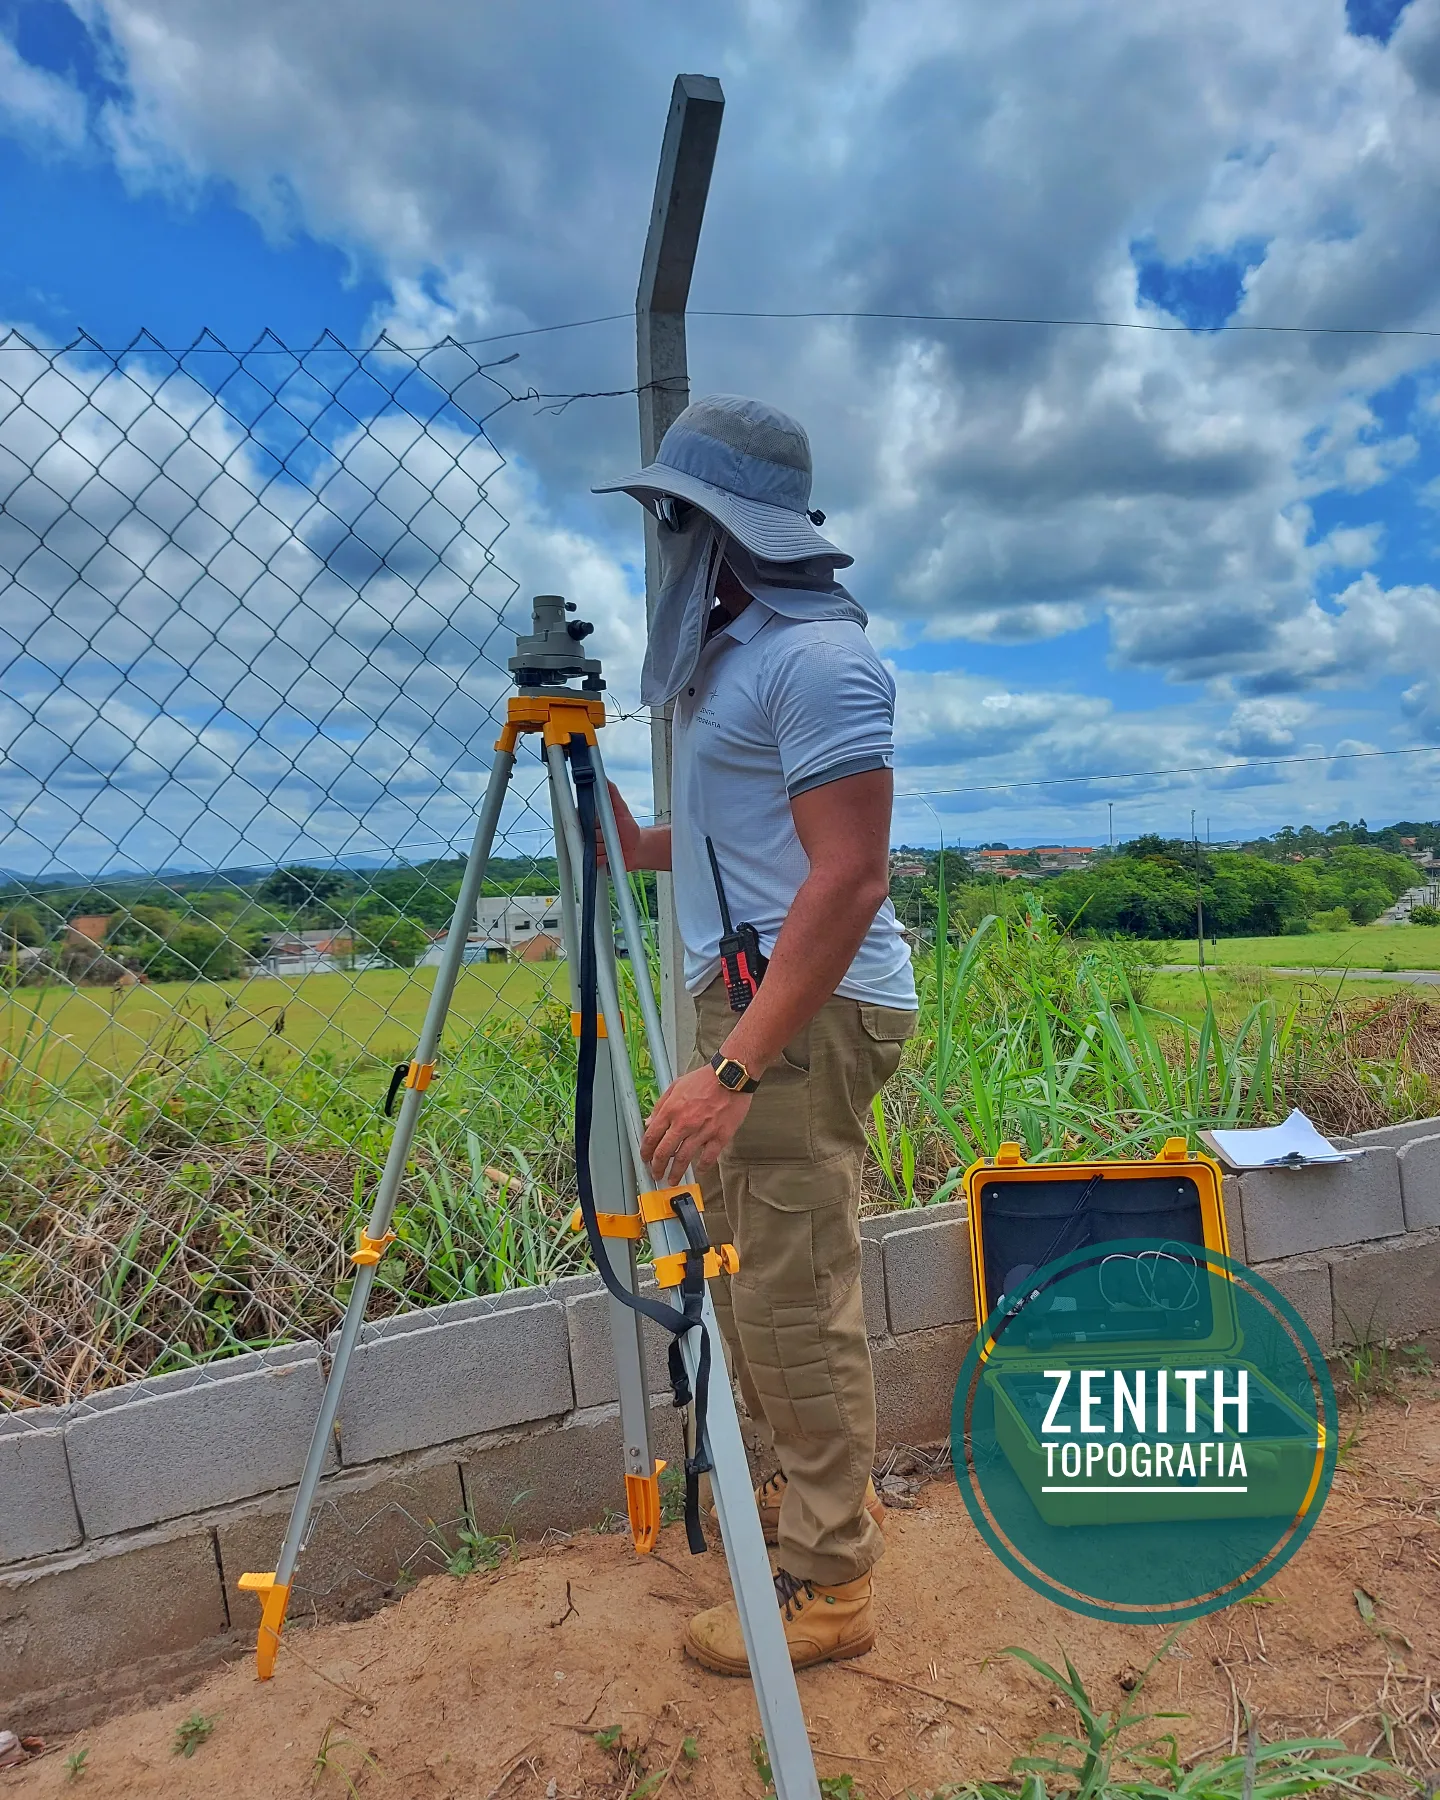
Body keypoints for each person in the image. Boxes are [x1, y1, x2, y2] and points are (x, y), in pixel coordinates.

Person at [594, 394, 917, 1674]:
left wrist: (736, 1066)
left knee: (787, 1300)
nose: (660, 539)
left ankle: (831, 1585)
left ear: (712, 525)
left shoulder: (817, 657)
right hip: (764, 993)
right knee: (760, 1284)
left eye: (669, 514)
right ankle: (819, 1510)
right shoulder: (739, 653)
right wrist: (643, 847)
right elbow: (756, 844)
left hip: (799, 1006)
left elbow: (847, 878)